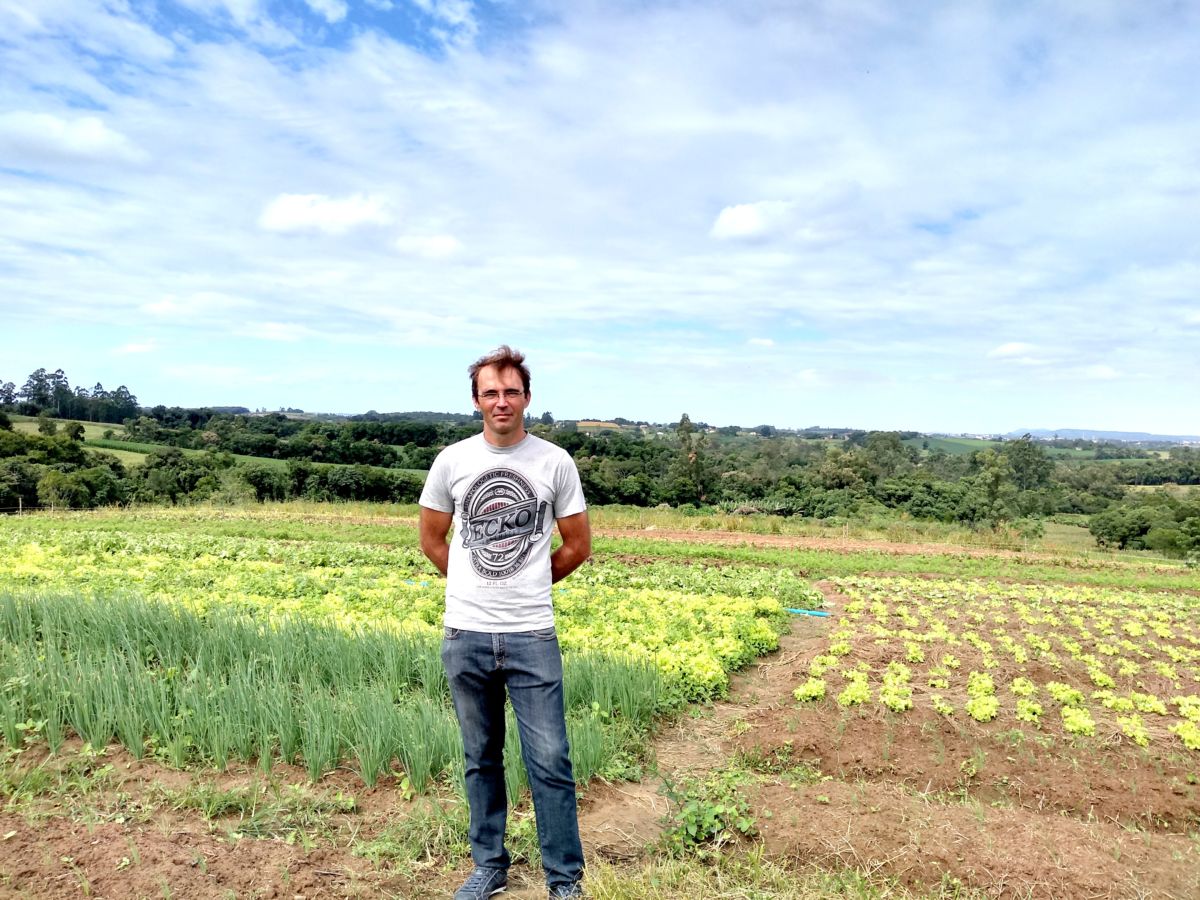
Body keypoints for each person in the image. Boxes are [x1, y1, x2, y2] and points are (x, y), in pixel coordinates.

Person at [418, 345, 591, 900]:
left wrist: (528, 582)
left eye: (510, 391)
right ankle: (489, 866)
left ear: (527, 398)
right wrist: (472, 584)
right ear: (476, 401)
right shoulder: (452, 461)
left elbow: (577, 546)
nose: (501, 401)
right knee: (480, 758)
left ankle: (564, 879)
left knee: (551, 760)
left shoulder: (554, 462)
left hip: (531, 634)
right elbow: (431, 539)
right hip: (464, 634)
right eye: (490, 392)